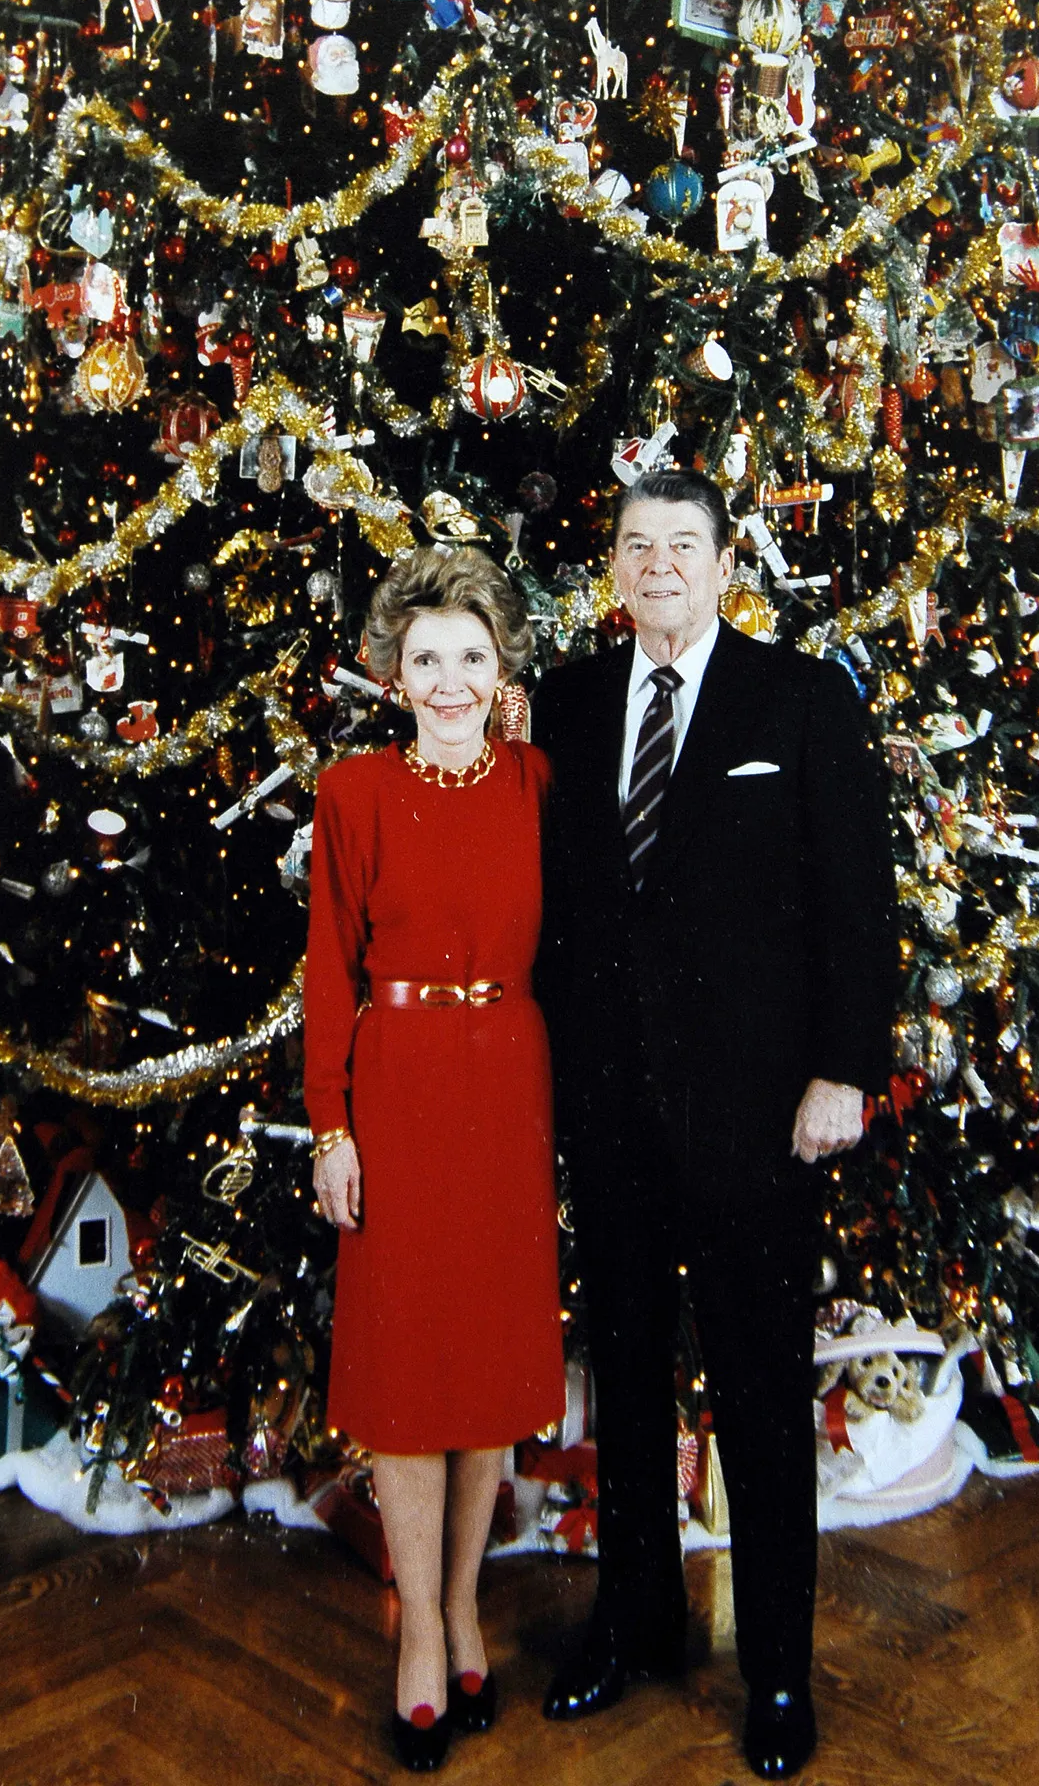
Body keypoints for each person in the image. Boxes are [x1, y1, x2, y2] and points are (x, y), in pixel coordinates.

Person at [533, 470, 899, 1781]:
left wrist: (844, 1073)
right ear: (614, 567)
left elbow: (859, 907)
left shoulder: (798, 698)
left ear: (725, 559)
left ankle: (780, 1676)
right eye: (637, 544)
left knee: (756, 1394)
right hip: (613, 1115)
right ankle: (635, 1623)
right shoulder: (568, 705)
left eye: (683, 544)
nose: (660, 564)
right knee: (623, 1382)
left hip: (759, 1120)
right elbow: (554, 918)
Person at [303, 546, 565, 1772]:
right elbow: (327, 976)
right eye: (426, 659)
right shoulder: (351, 793)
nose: (449, 679)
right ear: (393, 671)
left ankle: (465, 1604)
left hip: (509, 1078)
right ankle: (418, 1633)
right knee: (411, 1361)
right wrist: (331, 1129)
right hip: (398, 1084)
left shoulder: (539, 783)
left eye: (471, 657)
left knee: (490, 1361)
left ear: (501, 666)